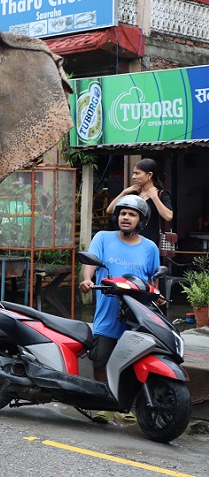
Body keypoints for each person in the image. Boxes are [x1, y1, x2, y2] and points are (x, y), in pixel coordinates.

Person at [79, 194, 160, 423]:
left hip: (137, 314)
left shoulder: (150, 247)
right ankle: (104, 406)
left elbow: (153, 277)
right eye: (123, 213)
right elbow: (90, 263)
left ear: (140, 220)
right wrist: (86, 279)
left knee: (132, 361)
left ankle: (126, 405)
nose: (126, 217)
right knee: (101, 359)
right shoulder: (103, 238)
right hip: (107, 312)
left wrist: (158, 296)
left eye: (132, 214)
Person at [105, 158, 174, 245]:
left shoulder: (161, 194)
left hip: (151, 241)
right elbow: (110, 210)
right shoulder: (134, 194)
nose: (133, 177)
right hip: (130, 240)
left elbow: (168, 216)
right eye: (134, 173)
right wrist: (124, 192)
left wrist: (154, 197)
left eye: (137, 173)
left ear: (149, 175)